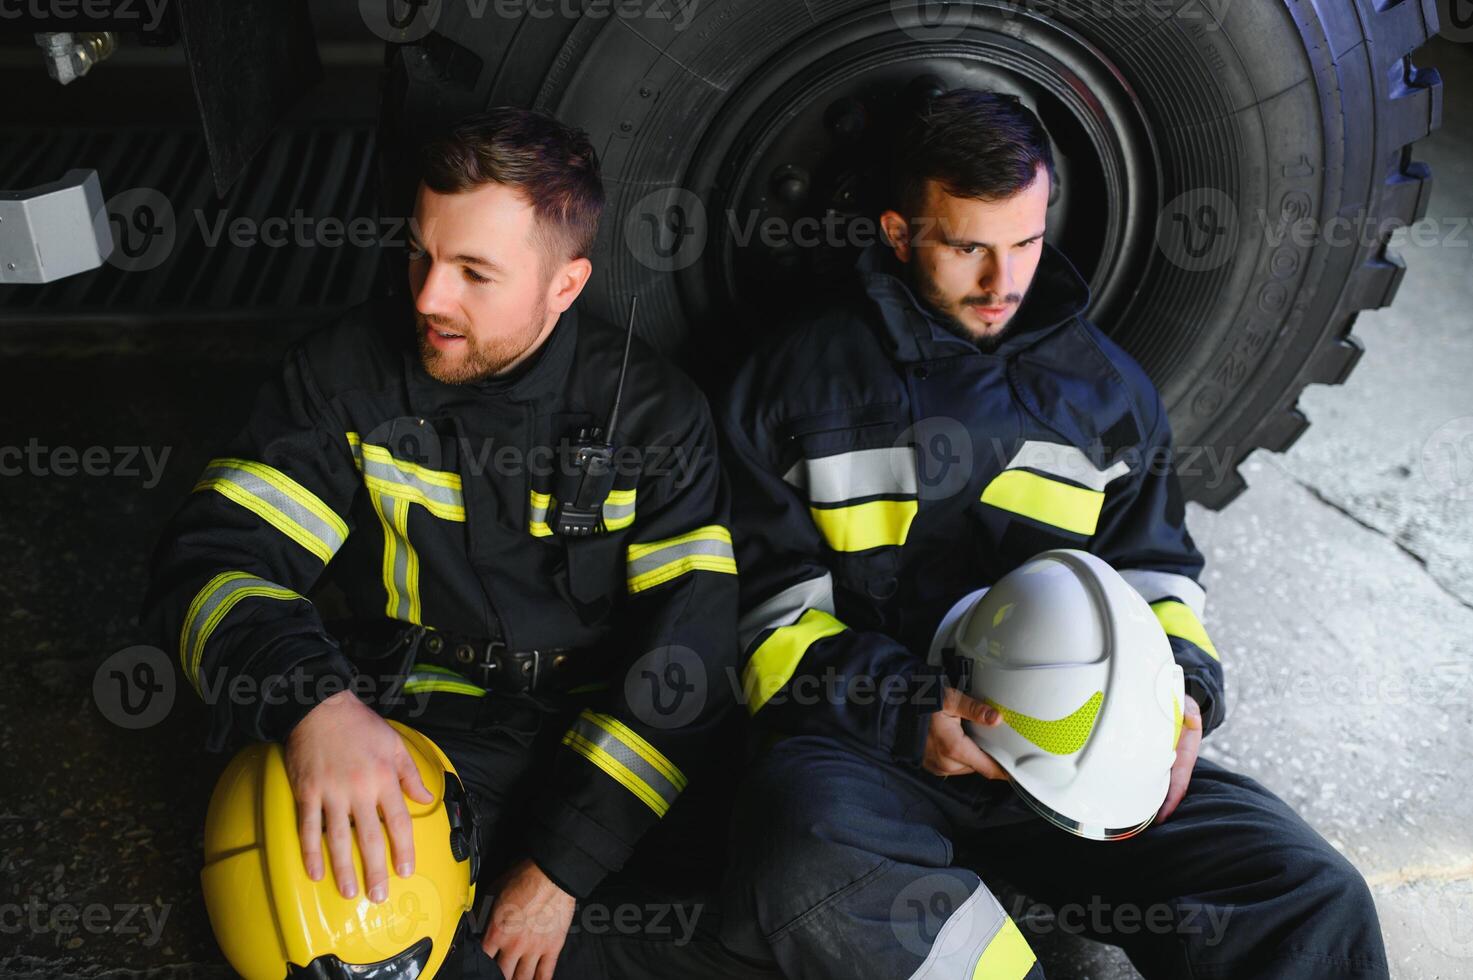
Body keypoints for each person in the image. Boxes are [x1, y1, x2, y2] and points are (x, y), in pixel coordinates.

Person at [716, 89, 1389, 979]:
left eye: (1027, 243)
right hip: (873, 756)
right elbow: (760, 617)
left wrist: (1182, 696)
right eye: (968, 248)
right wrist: (903, 714)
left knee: (1307, 896)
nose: (1004, 283)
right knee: (802, 863)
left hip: (1086, 750)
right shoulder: (788, 388)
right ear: (896, 230)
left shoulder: (1107, 394)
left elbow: (1155, 574)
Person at [142, 106, 744, 980]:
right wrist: (316, 707)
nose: (428, 296)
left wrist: (561, 869)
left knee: (745, 916)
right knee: (336, 945)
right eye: (422, 254)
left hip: (604, 732)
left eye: (474, 272)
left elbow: (685, 659)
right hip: (419, 723)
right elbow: (209, 563)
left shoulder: (657, 416)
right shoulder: (343, 375)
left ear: (565, 286)